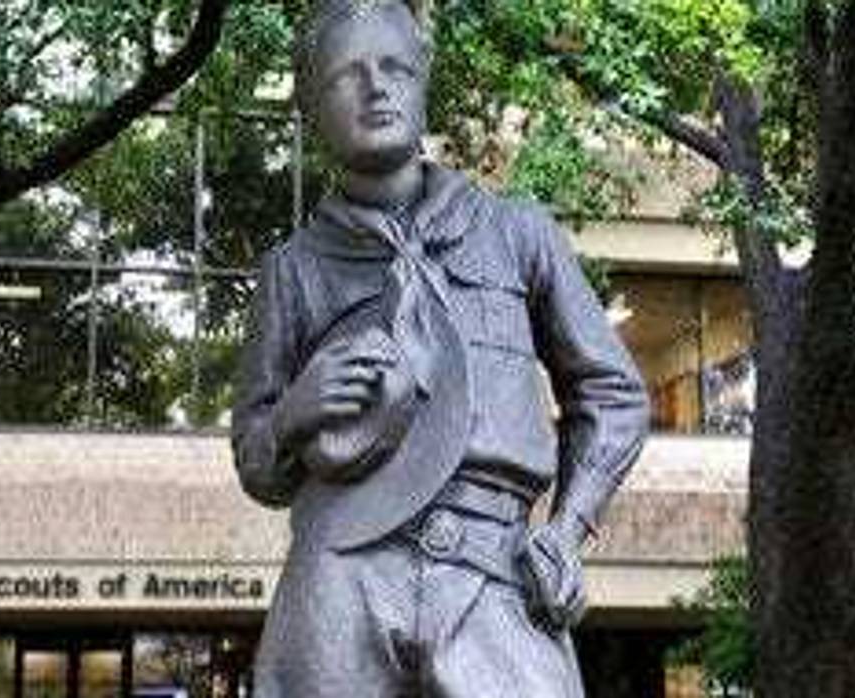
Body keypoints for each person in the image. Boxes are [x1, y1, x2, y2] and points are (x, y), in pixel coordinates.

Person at [231, 1, 649, 695]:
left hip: (494, 569)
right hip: (339, 571)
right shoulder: (294, 268)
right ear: (308, 106)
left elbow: (611, 393)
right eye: (345, 75)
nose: (375, 87)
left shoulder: (517, 234)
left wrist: (568, 529)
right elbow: (256, 462)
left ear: (424, 80)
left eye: (394, 66)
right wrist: (290, 414)